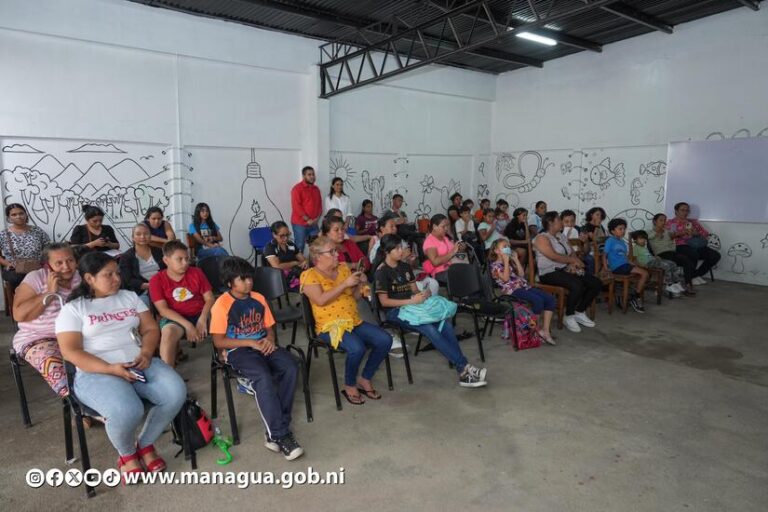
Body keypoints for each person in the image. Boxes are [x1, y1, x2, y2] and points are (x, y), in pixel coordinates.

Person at [56, 252, 186, 479]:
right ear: (89, 278)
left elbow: (150, 329)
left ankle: (144, 445)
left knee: (176, 393)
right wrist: (110, 369)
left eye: (117, 273)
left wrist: (146, 352)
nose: (117, 279)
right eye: (109, 275)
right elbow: (71, 351)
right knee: (128, 411)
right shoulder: (74, 309)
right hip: (96, 372)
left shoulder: (128, 297)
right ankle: (127, 454)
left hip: (138, 362)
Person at [211, 257, 303, 460]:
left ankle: (277, 426)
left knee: (290, 366)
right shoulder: (222, 305)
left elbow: (269, 327)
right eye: (242, 279)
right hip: (239, 350)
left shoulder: (259, 298)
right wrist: (250, 343)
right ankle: (279, 435)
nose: (249, 282)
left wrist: (270, 340)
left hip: (262, 344)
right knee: (263, 376)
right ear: (229, 283)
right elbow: (218, 341)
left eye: (249, 278)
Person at [374, 235, 487, 388]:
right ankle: (465, 368)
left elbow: (414, 290)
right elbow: (384, 302)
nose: (402, 251)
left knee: (445, 325)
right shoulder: (382, 272)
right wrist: (411, 301)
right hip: (396, 312)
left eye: (402, 247)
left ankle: (463, 371)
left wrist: (423, 293)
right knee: (428, 328)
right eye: (397, 248)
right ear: (387, 251)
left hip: (413, 308)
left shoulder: (405, 267)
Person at [301, 236, 392, 405]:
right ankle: (349, 384)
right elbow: (320, 300)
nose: (337, 254)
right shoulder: (309, 275)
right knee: (357, 348)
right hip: (330, 326)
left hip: (353, 321)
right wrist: (344, 284)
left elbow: (354, 297)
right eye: (332, 251)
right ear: (318, 257)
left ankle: (365, 378)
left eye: (336, 250)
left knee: (385, 340)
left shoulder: (343, 269)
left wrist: (359, 285)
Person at [12, 243, 80, 398]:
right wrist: (49, 293)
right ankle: (78, 405)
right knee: (53, 365)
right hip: (39, 336)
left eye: (70, 261)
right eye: (59, 263)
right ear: (47, 265)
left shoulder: (81, 277)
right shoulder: (35, 278)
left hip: (76, 333)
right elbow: (19, 315)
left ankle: (100, 397)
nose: (66, 267)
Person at [534, 212, 602, 333]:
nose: (561, 222)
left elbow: (571, 252)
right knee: (577, 285)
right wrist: (572, 260)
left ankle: (579, 311)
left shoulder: (561, 235)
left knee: (596, 283)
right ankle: (568, 316)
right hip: (549, 273)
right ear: (550, 223)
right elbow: (553, 256)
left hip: (565, 269)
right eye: (559, 220)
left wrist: (573, 264)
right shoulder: (541, 238)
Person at [150, 240, 215, 367]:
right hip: (175, 318)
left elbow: (210, 299)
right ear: (166, 260)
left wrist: (202, 319)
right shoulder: (156, 280)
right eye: (179, 259)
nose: (185, 263)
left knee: (222, 325)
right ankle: (168, 375)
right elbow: (163, 310)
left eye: (187, 258)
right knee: (168, 333)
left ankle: (225, 361)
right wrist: (188, 325)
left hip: (200, 314)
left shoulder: (196, 272)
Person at [488, 239, 555, 345]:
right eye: (504, 246)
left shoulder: (510, 262)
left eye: (508, 246)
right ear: (496, 251)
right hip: (511, 291)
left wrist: (515, 260)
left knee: (550, 299)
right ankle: (534, 330)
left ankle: (545, 331)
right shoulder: (494, 266)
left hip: (523, 286)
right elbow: (505, 279)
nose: (508, 248)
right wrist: (505, 261)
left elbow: (521, 274)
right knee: (537, 301)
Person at [666, 202, 721, 285]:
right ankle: (691, 278)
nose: (685, 212)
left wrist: (696, 233)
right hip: (680, 246)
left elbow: (705, 234)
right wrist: (682, 233)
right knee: (693, 254)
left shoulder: (693, 222)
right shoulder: (672, 223)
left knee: (715, 255)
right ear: (676, 211)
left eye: (687, 211)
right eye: (682, 210)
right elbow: (670, 236)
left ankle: (694, 275)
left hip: (696, 245)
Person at [0, 203, 50, 289]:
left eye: (21, 213)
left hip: (36, 267)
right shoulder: (4, 234)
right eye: (14, 214)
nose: (18, 216)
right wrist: (7, 263)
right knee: (18, 279)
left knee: (48, 277)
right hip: (15, 270)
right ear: (9, 218)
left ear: (26, 215)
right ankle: (22, 299)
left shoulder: (37, 231)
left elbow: (48, 248)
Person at [605, 218, 648, 313]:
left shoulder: (622, 243)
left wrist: (634, 264)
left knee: (643, 272)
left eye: (624, 229)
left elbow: (625, 258)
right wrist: (605, 268)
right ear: (612, 231)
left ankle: (633, 295)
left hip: (624, 265)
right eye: (620, 229)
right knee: (644, 274)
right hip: (617, 267)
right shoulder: (610, 241)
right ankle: (635, 297)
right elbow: (604, 255)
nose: (623, 231)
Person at [630, 230, 688, 297]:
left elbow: (647, 255)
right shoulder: (636, 248)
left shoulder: (644, 247)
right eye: (640, 239)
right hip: (648, 263)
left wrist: (655, 257)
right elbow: (634, 259)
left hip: (653, 260)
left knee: (672, 264)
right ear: (635, 240)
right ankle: (669, 284)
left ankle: (676, 282)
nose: (643, 240)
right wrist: (642, 266)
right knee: (666, 266)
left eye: (644, 239)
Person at [119, 224, 166, 306]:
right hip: (140, 290)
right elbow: (128, 280)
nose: (142, 237)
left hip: (162, 286)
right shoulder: (126, 257)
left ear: (150, 236)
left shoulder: (159, 251)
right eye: (138, 234)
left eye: (146, 234)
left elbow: (167, 270)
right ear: (133, 237)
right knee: (143, 304)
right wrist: (148, 286)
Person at [649, 213, 696, 295]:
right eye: (661, 220)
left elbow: (674, 234)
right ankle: (681, 285)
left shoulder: (667, 231)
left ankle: (685, 284)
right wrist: (658, 233)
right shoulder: (649, 232)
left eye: (664, 220)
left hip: (671, 252)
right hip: (661, 254)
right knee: (685, 259)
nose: (663, 222)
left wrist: (685, 232)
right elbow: (648, 237)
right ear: (654, 221)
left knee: (689, 259)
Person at [263, 221, 307, 292]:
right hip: (280, 278)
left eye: (287, 234)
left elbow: (302, 259)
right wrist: (294, 263)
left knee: (313, 281)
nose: (286, 238)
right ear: (274, 234)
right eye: (282, 236)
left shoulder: (290, 244)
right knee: (308, 287)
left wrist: (305, 262)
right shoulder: (270, 247)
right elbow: (277, 267)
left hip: (295, 273)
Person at [423, 214, 466, 284]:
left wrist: (460, 248)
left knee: (474, 271)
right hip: (440, 272)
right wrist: (452, 252)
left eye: (447, 226)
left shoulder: (445, 238)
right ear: (434, 227)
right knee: (466, 276)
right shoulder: (429, 241)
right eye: (443, 226)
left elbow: (454, 250)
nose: (446, 228)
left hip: (452, 267)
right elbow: (435, 262)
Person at [290, 166, 322, 253]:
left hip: (314, 224)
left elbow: (320, 206)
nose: (312, 176)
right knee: (300, 246)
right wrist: (308, 219)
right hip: (300, 224)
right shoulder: (297, 189)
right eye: (309, 174)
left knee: (317, 245)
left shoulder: (316, 189)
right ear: (304, 176)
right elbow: (296, 206)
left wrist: (317, 219)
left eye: (313, 174)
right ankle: (298, 266)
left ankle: (314, 265)